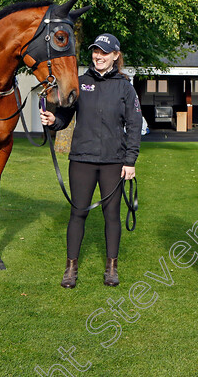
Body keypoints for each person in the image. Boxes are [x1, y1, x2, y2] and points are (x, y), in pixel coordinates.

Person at [40, 33, 142, 289]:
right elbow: (65, 115)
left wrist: (130, 161)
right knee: (77, 213)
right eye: (96, 52)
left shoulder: (125, 87)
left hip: (113, 162)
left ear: (115, 56)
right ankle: (71, 268)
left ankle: (111, 268)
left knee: (112, 216)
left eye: (105, 53)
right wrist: (55, 121)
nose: (99, 56)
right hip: (82, 160)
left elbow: (134, 124)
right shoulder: (80, 82)